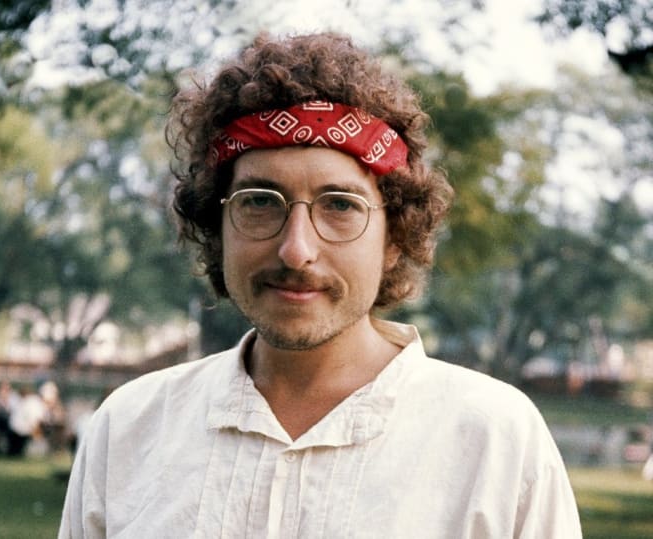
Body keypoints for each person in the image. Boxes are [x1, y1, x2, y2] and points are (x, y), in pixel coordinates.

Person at [59, 32, 582, 538]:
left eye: (340, 206)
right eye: (260, 202)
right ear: (217, 228)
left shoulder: (495, 443)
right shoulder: (129, 430)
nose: (296, 249)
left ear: (394, 236)